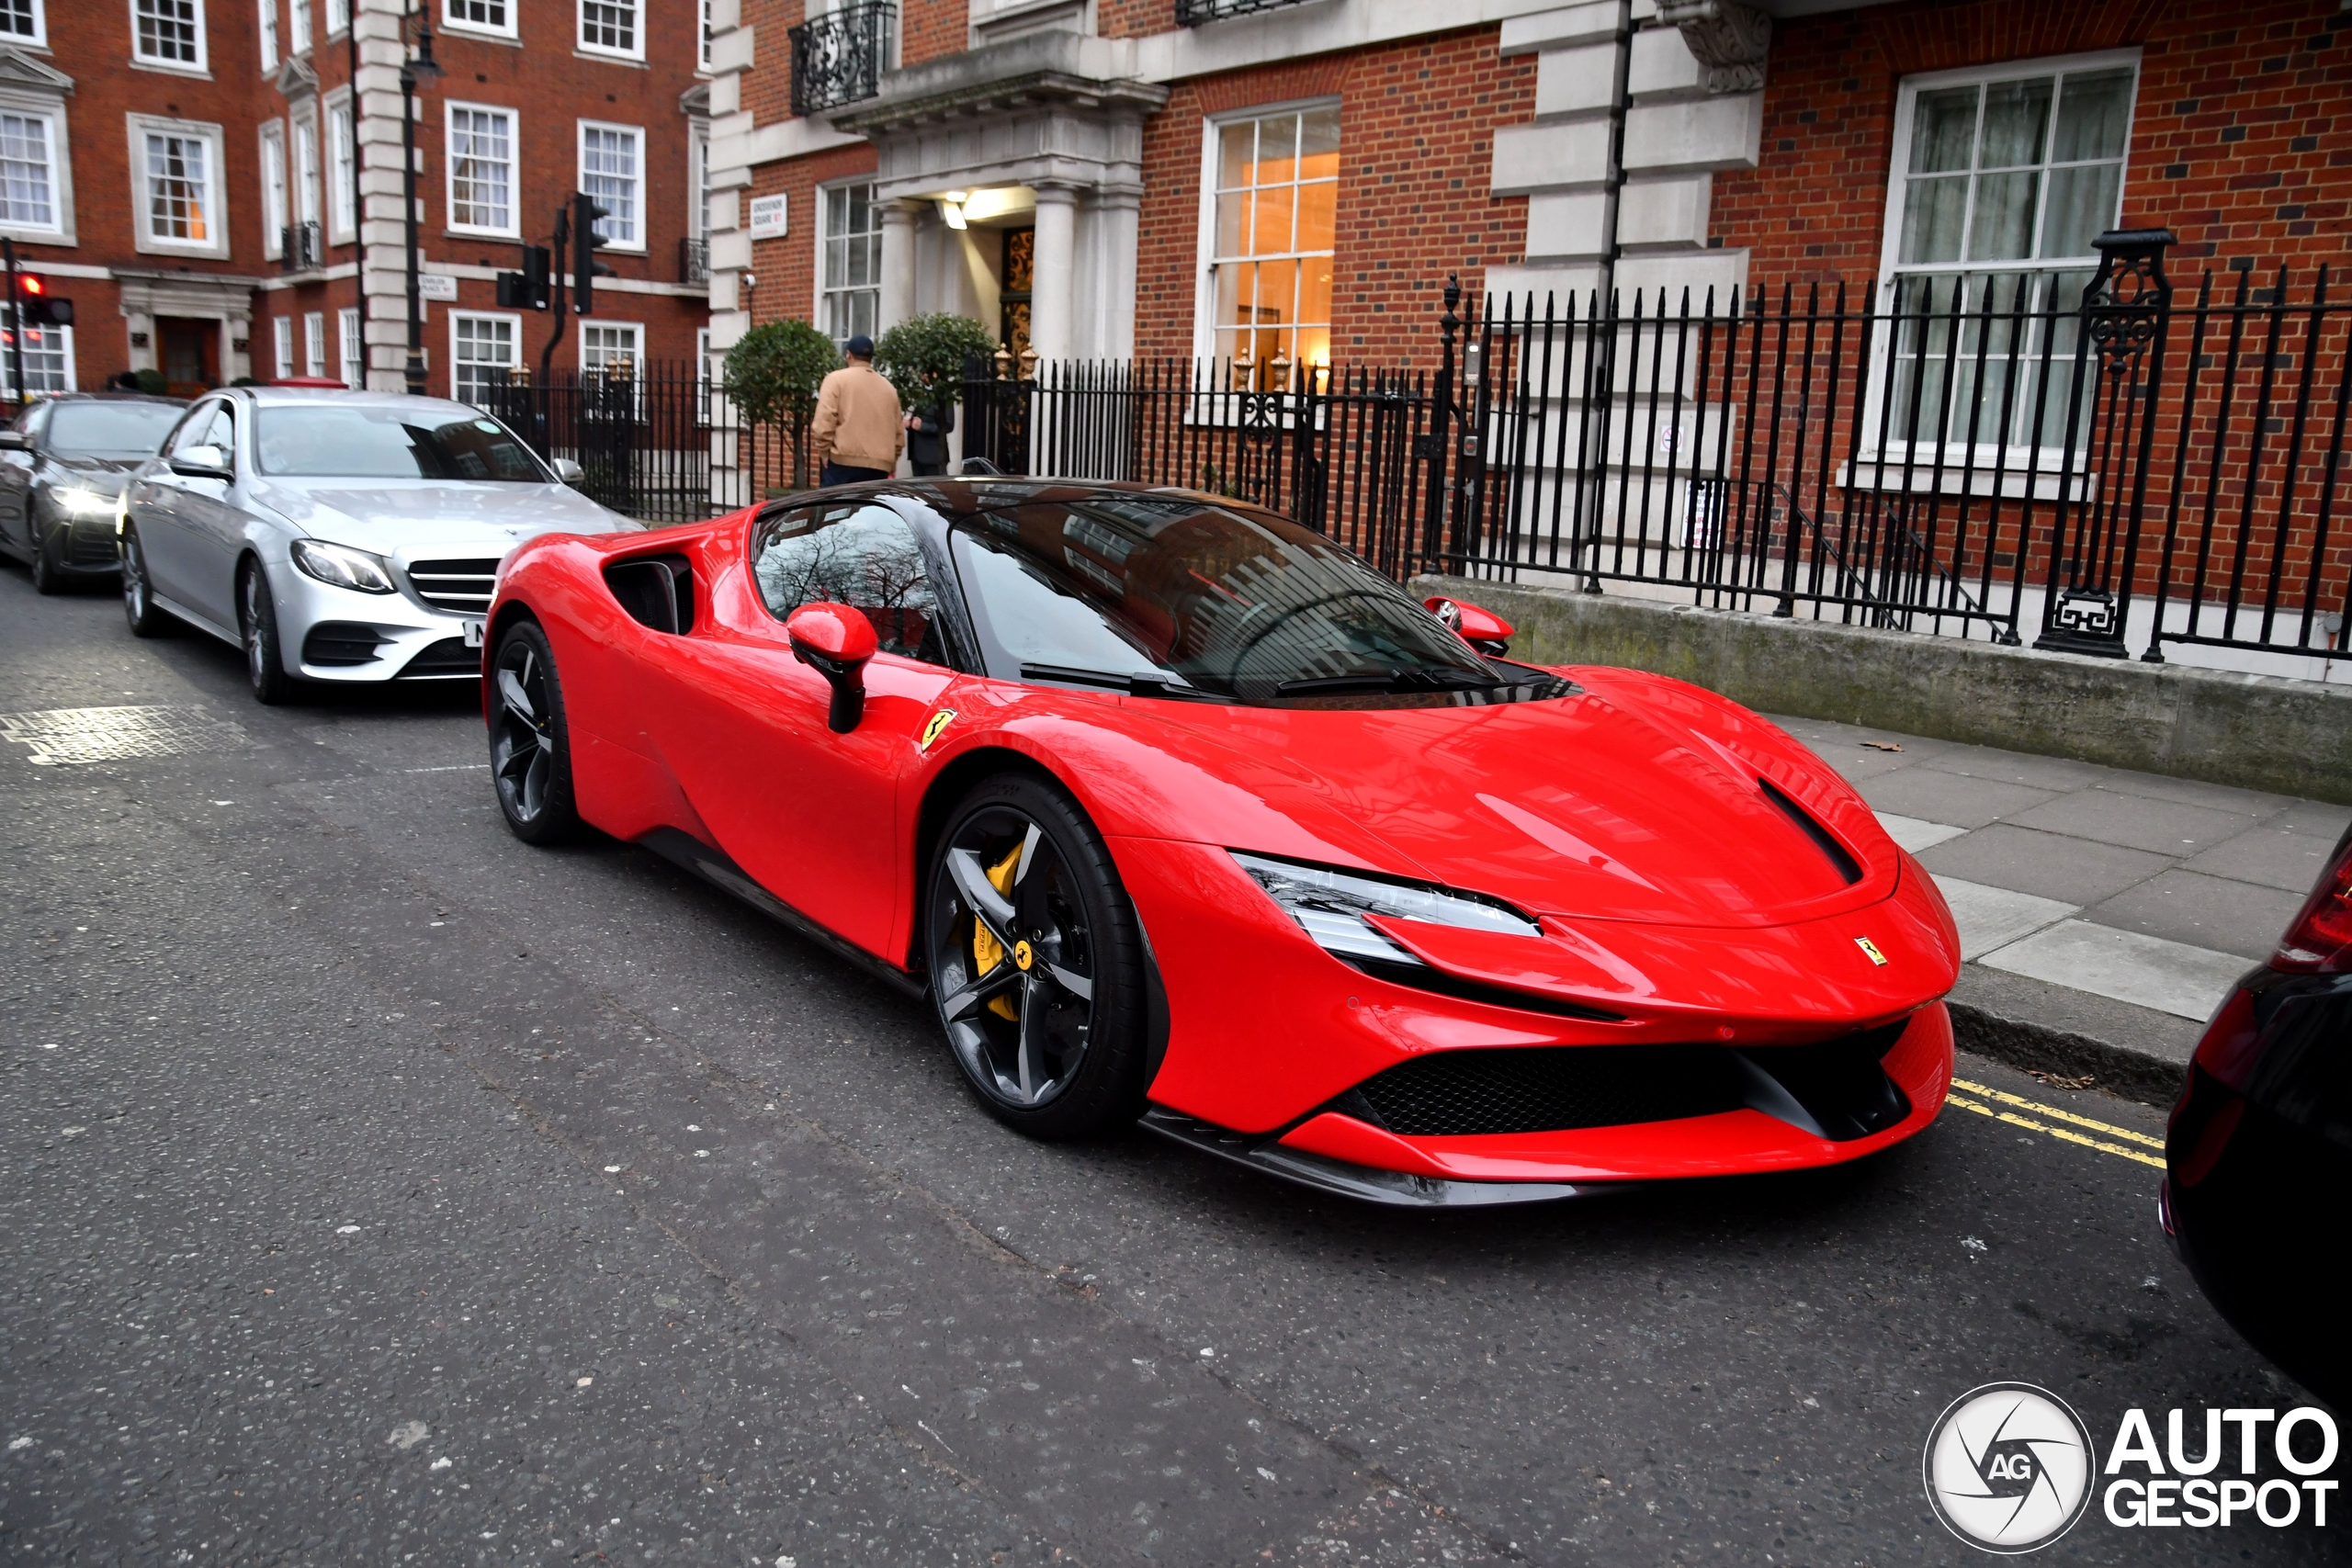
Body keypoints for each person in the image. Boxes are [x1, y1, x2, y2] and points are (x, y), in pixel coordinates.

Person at [809, 333, 904, 487]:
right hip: (879, 466)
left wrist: (825, 453)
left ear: (848, 355)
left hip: (842, 463)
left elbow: (824, 423)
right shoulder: (889, 389)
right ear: (871, 358)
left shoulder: (835, 380)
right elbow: (898, 436)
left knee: (834, 509)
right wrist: (890, 463)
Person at [905, 400, 955, 477]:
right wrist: (910, 424)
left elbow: (948, 426)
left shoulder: (944, 395)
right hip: (916, 455)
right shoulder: (921, 394)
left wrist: (923, 427)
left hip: (934, 457)